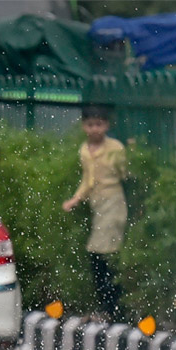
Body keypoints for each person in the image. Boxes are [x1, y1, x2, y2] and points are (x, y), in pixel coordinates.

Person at [62, 104, 128, 322]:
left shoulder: (115, 148)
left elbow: (124, 174)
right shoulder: (84, 150)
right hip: (97, 206)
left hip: (113, 203)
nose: (95, 129)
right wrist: (75, 199)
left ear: (106, 125)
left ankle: (112, 309)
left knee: (103, 254)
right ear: (84, 126)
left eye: (99, 124)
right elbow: (87, 181)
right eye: (90, 125)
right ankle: (107, 307)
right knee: (98, 256)